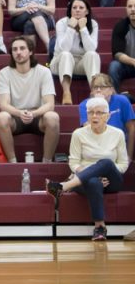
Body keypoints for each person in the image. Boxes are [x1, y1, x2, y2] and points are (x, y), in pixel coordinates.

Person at [47, 97, 127, 241]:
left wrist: (104, 174)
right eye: (90, 113)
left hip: (111, 180)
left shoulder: (118, 134)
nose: (94, 116)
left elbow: (123, 164)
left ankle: (64, 186)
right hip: (85, 180)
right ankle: (100, 228)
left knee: (107, 163)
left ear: (107, 116)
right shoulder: (79, 133)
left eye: (99, 113)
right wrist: (92, 174)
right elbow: (74, 162)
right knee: (93, 182)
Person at [0, 37, 59, 163]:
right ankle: (12, 162)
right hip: (15, 117)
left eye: (22, 48)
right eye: (15, 49)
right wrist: (20, 113)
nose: (18, 52)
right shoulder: (4, 73)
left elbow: (50, 104)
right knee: (1, 117)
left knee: (53, 117)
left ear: (30, 52)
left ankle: (46, 161)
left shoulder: (44, 71)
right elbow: (4, 105)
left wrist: (33, 114)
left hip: (38, 116)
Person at [77, 74, 135, 162]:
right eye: (95, 87)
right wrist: (98, 104)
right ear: (91, 92)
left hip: (116, 149)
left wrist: (129, 156)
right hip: (94, 149)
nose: (98, 90)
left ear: (111, 90)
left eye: (102, 87)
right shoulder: (84, 105)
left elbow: (131, 129)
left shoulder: (122, 101)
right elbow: (91, 131)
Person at [54, 0, 101, 105]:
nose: (77, 10)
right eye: (74, 8)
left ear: (87, 11)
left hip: (81, 64)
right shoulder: (61, 23)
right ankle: (66, 93)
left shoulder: (93, 24)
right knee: (66, 54)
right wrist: (70, 28)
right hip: (59, 62)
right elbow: (64, 48)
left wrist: (83, 28)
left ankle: (95, 91)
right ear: (70, 10)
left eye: (81, 8)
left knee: (92, 54)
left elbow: (91, 48)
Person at [108, 0, 135, 92]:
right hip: (127, 65)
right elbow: (117, 53)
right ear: (126, 9)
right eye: (130, 6)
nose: (132, 9)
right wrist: (133, 61)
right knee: (114, 66)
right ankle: (114, 97)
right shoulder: (120, 26)